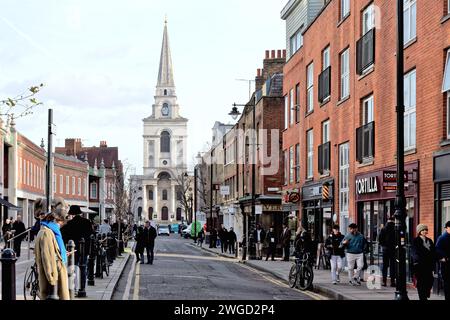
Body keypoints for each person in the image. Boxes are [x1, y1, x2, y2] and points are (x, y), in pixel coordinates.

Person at [34, 197, 70, 300]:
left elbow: (53, 252)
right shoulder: (47, 232)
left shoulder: (51, 231)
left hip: (57, 278)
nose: (62, 224)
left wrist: (61, 254)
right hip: (54, 284)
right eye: (61, 221)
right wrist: (53, 280)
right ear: (56, 219)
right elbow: (47, 258)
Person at [61, 205, 94, 291]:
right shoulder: (87, 222)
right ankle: (81, 288)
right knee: (83, 266)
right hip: (84, 249)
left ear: (71, 214)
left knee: (73, 267)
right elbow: (91, 234)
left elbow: (63, 236)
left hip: (73, 250)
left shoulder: (69, 224)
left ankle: (73, 286)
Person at [411, 224, 436, 301]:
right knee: (421, 283)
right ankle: (422, 297)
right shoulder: (416, 241)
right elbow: (415, 253)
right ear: (419, 231)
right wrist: (417, 262)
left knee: (430, 281)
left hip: (429, 265)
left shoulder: (430, 240)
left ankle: (425, 294)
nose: (425, 231)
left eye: (426, 230)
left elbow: (433, 252)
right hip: (420, 266)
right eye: (423, 230)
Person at [378, 216, 396, 287]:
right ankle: (392, 282)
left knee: (385, 266)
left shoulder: (383, 229)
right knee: (393, 266)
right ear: (393, 221)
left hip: (385, 249)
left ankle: (384, 282)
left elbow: (380, 239)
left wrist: (383, 246)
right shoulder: (395, 228)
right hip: (393, 249)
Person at [435, 221, 450, 301]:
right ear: (446, 228)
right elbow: (437, 250)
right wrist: (444, 257)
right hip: (446, 265)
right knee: (447, 284)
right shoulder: (442, 238)